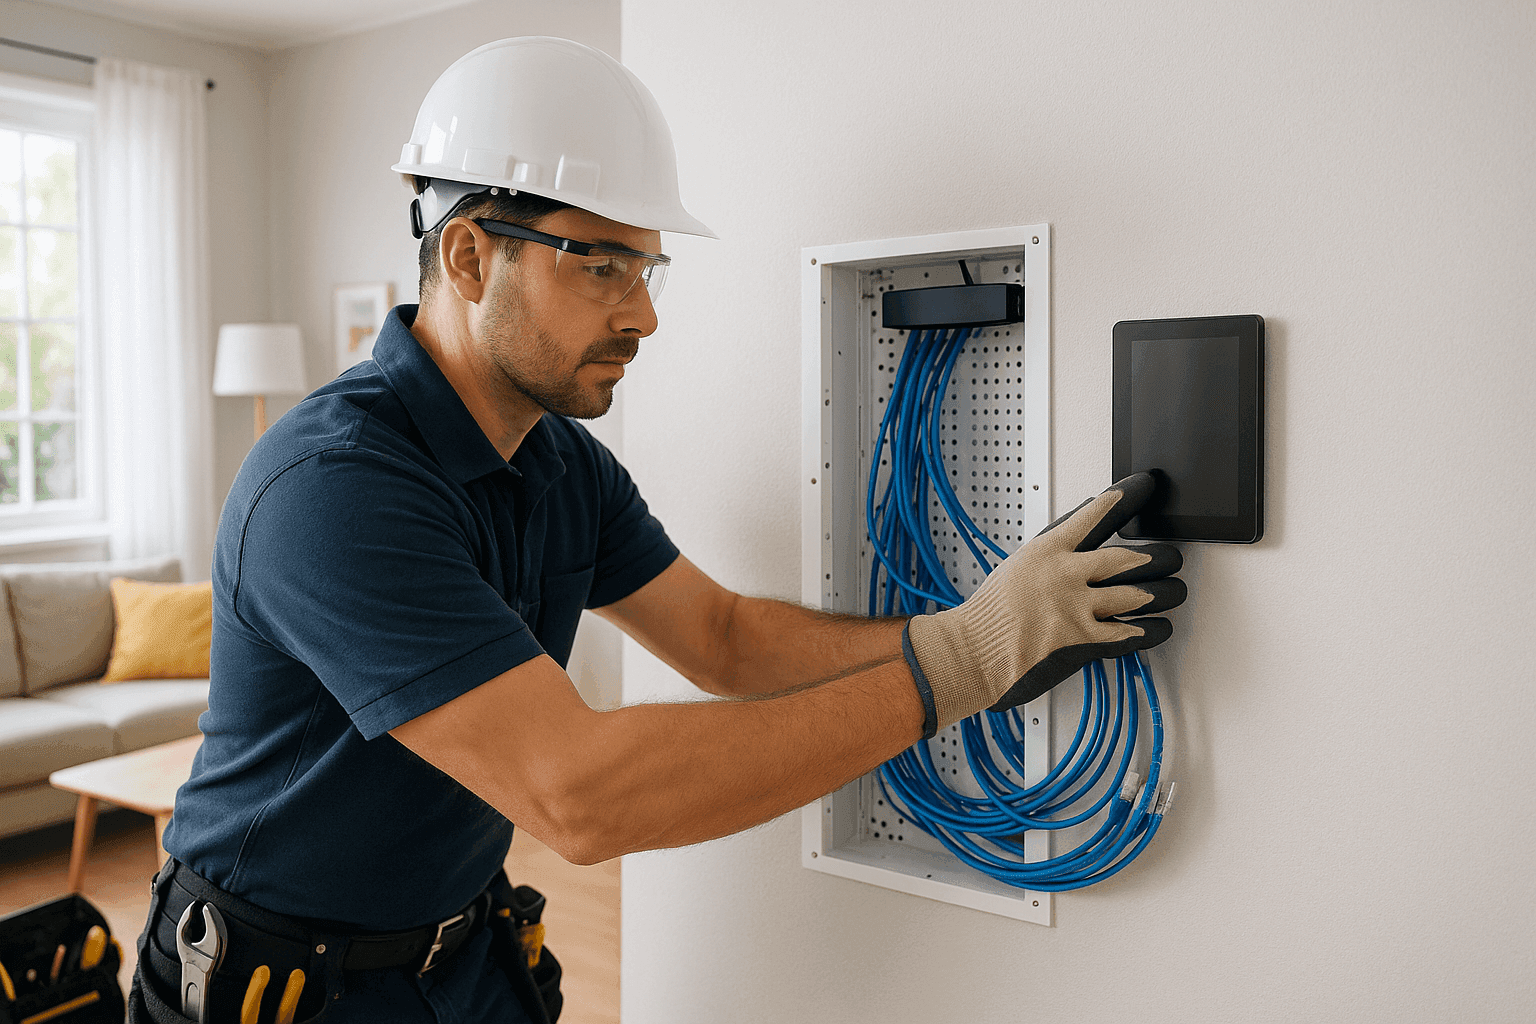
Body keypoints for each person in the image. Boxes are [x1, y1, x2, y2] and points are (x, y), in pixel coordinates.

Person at [130, 37, 1185, 1024]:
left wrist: (976, 639)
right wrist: (961, 664)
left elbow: (724, 638)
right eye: (600, 265)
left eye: (647, 269)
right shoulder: (334, 488)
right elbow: (578, 791)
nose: (643, 315)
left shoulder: (555, 459)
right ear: (467, 257)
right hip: (276, 985)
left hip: (462, 959)